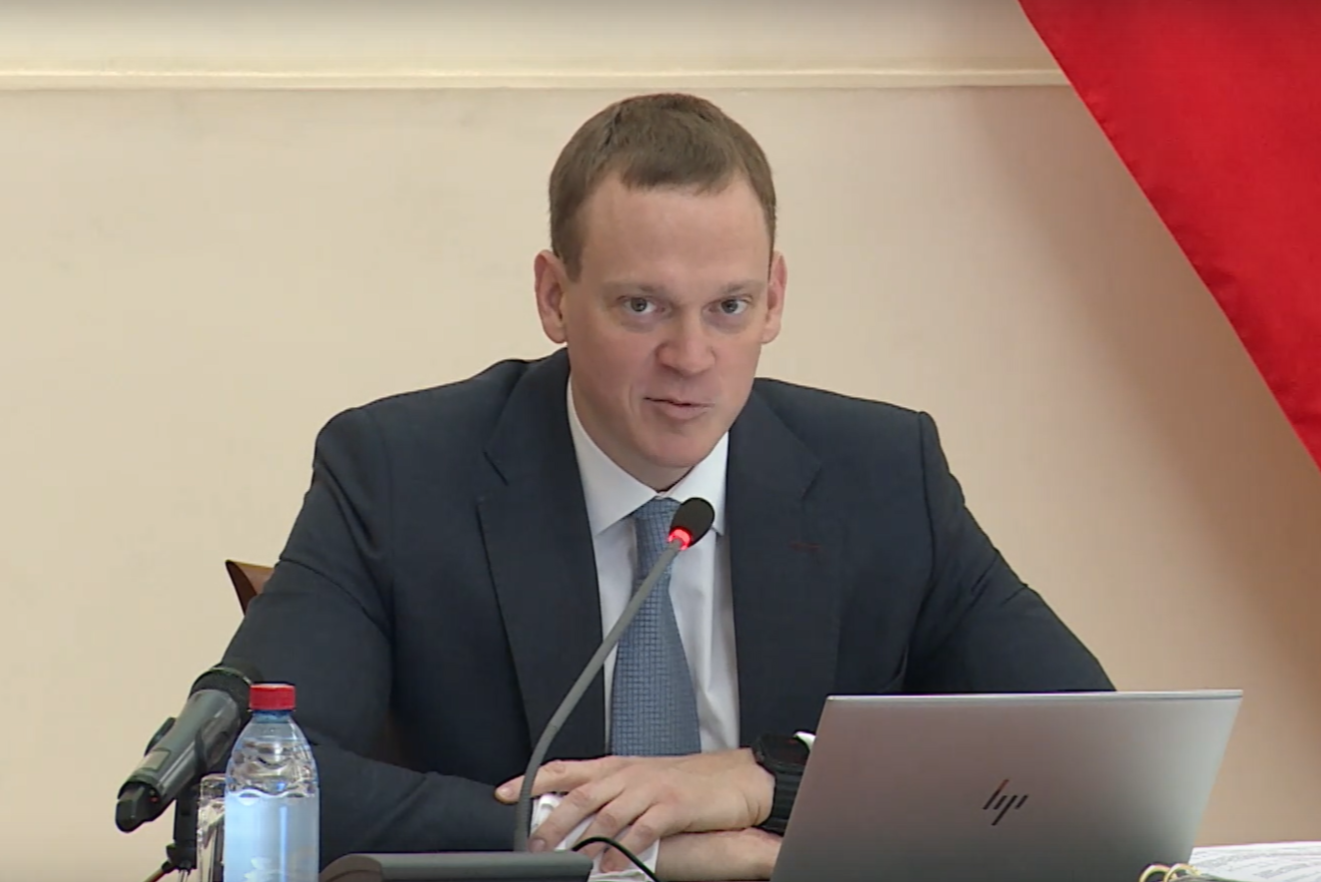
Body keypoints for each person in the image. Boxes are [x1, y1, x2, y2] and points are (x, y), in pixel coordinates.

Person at [223, 92, 1112, 880]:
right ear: (554, 296)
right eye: (641, 306)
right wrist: (619, 849)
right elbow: (254, 772)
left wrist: (770, 779)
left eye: (727, 307)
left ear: (773, 298)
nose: (690, 358)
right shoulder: (399, 472)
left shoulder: (879, 472)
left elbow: (1090, 754)